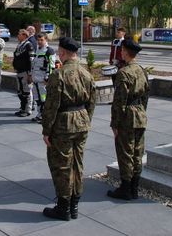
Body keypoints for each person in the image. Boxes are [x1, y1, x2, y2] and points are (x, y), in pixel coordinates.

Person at [42, 37, 96, 221]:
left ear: (63, 52)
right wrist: (86, 119)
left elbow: (51, 106)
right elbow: (92, 102)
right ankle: (74, 206)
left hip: (63, 125)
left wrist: (46, 130)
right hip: (82, 122)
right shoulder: (86, 73)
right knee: (77, 164)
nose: (58, 53)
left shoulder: (59, 74)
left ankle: (63, 207)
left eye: (59, 51)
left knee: (62, 165)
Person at [107, 38, 150, 201]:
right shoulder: (141, 70)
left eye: (122, 50)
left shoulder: (124, 73)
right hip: (140, 115)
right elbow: (146, 94)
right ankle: (135, 188)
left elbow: (119, 101)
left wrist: (115, 123)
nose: (121, 52)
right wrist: (142, 111)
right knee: (137, 152)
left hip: (127, 117)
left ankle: (125, 188)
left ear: (125, 51)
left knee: (125, 152)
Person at [31, 33, 56, 123]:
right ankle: (39, 114)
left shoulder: (49, 51)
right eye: (38, 40)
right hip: (36, 80)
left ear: (46, 40)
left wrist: (47, 78)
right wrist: (31, 75)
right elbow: (34, 65)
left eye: (42, 40)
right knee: (38, 99)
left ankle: (45, 117)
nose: (39, 42)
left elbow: (51, 66)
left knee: (44, 99)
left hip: (43, 81)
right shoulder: (38, 50)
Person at [12, 29, 35, 117]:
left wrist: (30, 74)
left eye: (19, 34)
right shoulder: (20, 45)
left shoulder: (28, 45)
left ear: (24, 35)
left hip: (26, 72)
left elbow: (31, 60)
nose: (18, 36)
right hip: (19, 71)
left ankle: (28, 110)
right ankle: (22, 108)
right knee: (20, 91)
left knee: (27, 91)